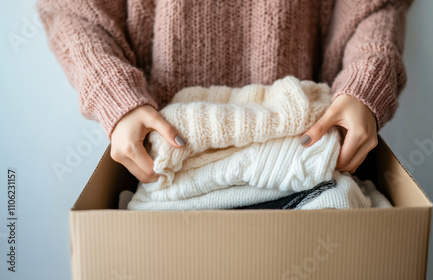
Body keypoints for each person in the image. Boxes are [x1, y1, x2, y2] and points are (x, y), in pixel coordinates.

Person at [37, 0, 413, 184]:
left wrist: (367, 80)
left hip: (301, 155)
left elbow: (375, 6)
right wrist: (113, 95)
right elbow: (72, 10)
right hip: (164, 158)